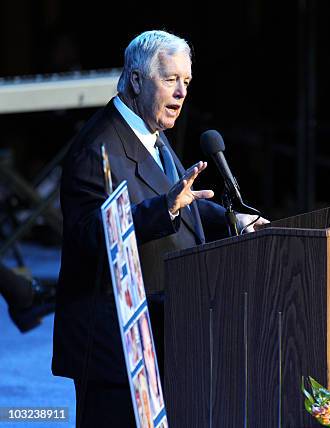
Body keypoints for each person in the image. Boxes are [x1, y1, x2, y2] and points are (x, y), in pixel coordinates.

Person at [51, 31, 267, 427]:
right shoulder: (96, 148)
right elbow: (89, 235)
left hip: (166, 332)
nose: (182, 92)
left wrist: (232, 217)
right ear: (136, 79)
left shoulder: (151, 133)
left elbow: (181, 203)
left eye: (186, 81)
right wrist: (165, 207)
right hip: (114, 351)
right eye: (170, 80)